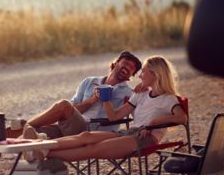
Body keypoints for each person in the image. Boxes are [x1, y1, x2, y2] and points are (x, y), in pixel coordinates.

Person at [24, 55, 187, 162]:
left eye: (142, 72)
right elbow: (115, 117)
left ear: (155, 74)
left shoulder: (168, 99)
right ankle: (40, 147)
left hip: (145, 139)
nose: (139, 76)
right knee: (85, 136)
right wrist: (106, 99)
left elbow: (182, 118)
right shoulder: (141, 94)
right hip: (129, 133)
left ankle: (44, 153)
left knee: (93, 149)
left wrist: (153, 123)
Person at [19, 51, 142, 139]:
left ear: (131, 75)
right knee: (34, 132)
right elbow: (71, 110)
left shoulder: (128, 93)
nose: (128, 67)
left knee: (63, 104)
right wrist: (91, 101)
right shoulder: (89, 81)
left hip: (98, 133)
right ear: (116, 63)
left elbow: (139, 115)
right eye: (126, 63)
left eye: (132, 68)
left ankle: (24, 126)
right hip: (74, 127)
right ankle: (10, 137)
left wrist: (145, 87)